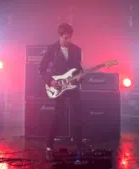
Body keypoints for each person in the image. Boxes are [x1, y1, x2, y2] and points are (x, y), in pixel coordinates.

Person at [39, 23, 90, 154]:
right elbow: (42, 68)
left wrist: (80, 77)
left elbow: (79, 69)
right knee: (58, 115)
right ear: (60, 35)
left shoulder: (76, 49)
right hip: (58, 87)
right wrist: (50, 81)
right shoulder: (52, 49)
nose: (68, 40)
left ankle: (79, 142)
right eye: (65, 37)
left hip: (73, 86)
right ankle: (49, 145)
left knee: (78, 114)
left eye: (70, 38)